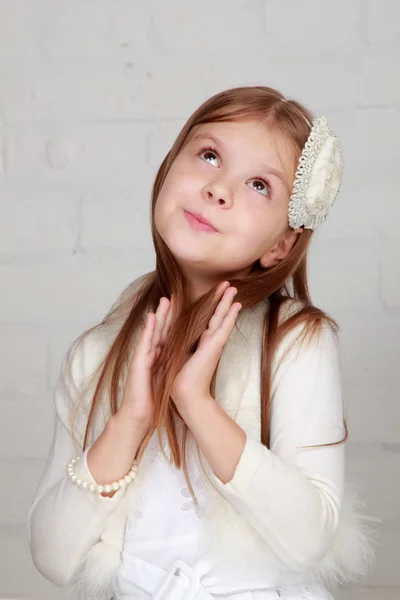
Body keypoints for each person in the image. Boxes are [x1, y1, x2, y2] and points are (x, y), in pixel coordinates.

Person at [27, 86, 378, 600]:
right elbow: (53, 558)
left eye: (259, 185)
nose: (219, 188)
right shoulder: (96, 354)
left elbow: (310, 540)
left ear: (281, 244)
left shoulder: (296, 340)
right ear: (169, 168)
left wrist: (198, 404)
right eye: (210, 155)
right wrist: (129, 423)